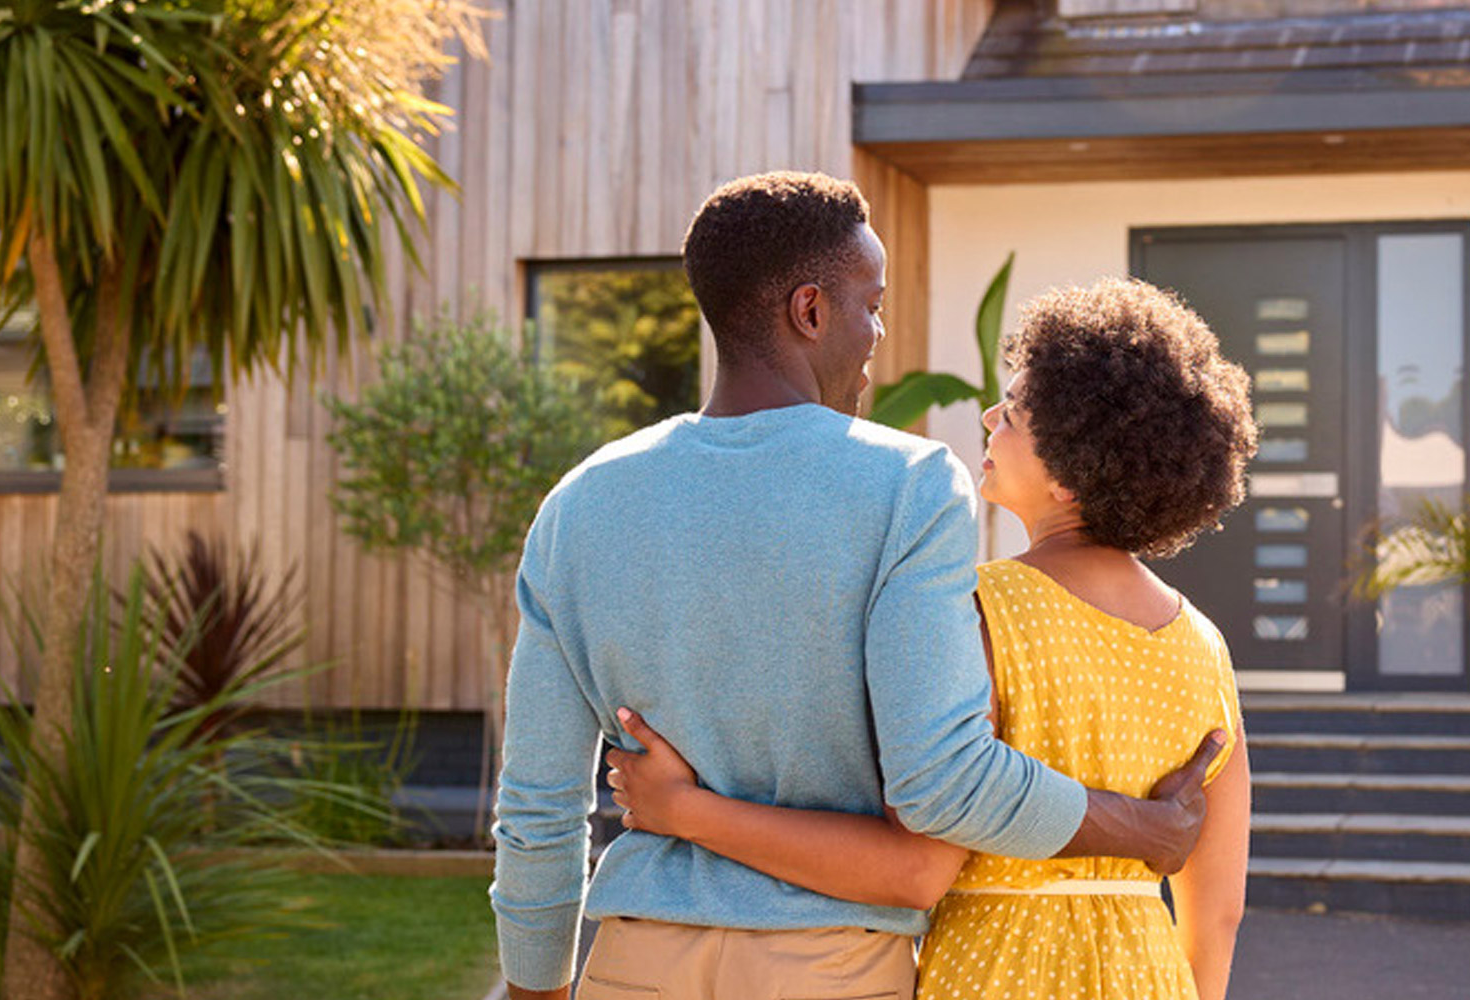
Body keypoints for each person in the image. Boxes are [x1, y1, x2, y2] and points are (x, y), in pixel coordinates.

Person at [490, 173, 1222, 1000]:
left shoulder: (579, 505)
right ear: (809, 311)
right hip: (828, 965)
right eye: (869, 304)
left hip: (634, 965)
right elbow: (942, 780)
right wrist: (1146, 829)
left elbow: (538, 809)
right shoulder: (905, 484)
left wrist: (535, 989)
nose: (877, 330)